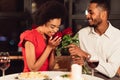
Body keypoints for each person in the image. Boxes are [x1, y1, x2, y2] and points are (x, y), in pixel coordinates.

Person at [68, 0, 120, 78]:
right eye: (87, 12)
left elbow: (111, 71)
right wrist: (77, 61)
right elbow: (74, 61)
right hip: (85, 76)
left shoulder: (117, 36)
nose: (87, 16)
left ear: (103, 14)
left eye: (91, 13)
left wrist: (86, 56)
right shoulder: (81, 34)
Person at [18, 0, 67, 72]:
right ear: (43, 21)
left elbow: (50, 68)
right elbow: (33, 69)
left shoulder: (48, 37)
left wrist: (52, 48)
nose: (56, 30)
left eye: (58, 27)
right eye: (52, 27)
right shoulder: (30, 36)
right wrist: (49, 47)